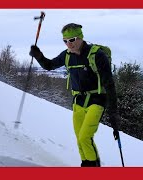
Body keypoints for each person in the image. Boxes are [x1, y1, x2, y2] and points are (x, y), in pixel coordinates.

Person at [29, 23, 121, 167]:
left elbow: (109, 84)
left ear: (80, 37)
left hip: (97, 99)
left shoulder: (97, 55)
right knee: (79, 138)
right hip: (78, 100)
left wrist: (114, 113)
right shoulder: (66, 56)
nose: (68, 44)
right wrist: (39, 55)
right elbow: (49, 65)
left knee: (85, 137)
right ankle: (86, 164)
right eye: (65, 41)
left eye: (71, 40)